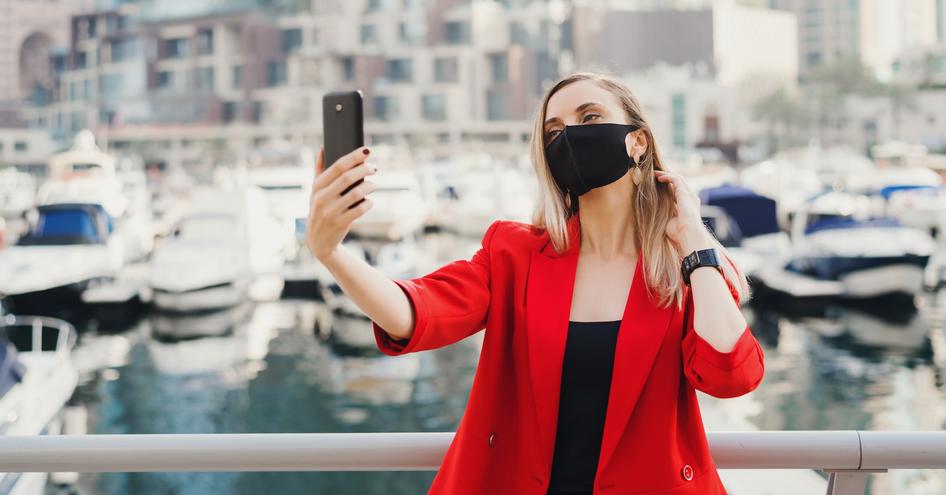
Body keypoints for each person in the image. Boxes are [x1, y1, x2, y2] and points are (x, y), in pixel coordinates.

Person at [306, 71, 765, 495]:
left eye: (590, 117)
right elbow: (415, 311)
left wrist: (692, 241)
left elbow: (732, 375)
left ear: (638, 141)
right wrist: (332, 252)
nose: (570, 136)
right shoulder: (513, 253)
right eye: (554, 131)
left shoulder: (687, 268)